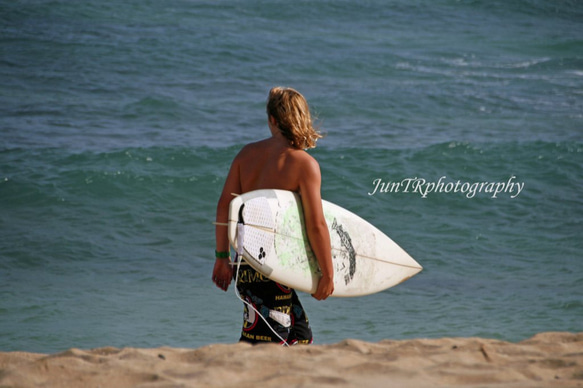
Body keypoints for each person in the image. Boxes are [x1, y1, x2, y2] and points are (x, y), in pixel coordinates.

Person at [212, 87, 334, 345]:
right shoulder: (304, 164)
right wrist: (328, 273)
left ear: (272, 120)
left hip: (247, 264)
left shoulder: (246, 155)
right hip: (273, 266)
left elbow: (225, 206)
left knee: (300, 338)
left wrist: (222, 258)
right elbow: (316, 224)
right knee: (265, 344)